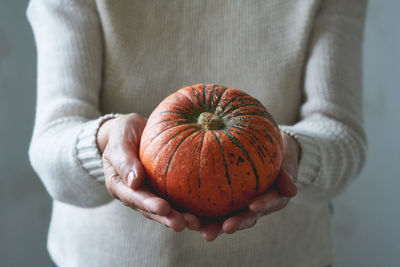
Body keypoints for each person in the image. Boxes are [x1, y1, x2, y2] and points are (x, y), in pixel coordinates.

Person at [27, 0, 367, 266]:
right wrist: (104, 141)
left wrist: (292, 152)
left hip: (284, 258)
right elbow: (51, 142)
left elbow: (342, 133)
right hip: (103, 258)